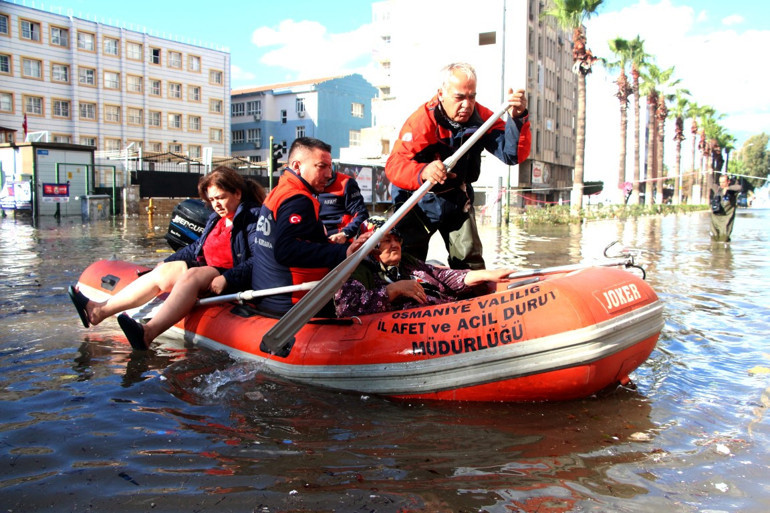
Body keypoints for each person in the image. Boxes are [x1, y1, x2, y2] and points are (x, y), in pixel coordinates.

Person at [68, 166, 266, 350]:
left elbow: (259, 259)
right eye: (212, 199)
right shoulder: (217, 219)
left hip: (230, 277)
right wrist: (168, 261)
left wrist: (227, 278)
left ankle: (148, 332)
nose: (216, 204)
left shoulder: (252, 218)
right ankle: (99, 311)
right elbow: (198, 247)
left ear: (237, 193)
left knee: (194, 274)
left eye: (220, 198)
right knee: (164, 271)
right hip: (208, 269)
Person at [385, 62, 531, 270]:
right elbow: (394, 165)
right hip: (417, 199)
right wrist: (423, 171)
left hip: (456, 197)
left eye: (472, 97)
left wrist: (517, 119)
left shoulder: (483, 118)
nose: (467, 104)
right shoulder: (422, 121)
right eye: (460, 97)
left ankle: (472, 294)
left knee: (470, 260)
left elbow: (512, 155)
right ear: (441, 94)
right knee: (408, 261)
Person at [249, 137, 371, 315]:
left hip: (274, 297)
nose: (329, 174)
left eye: (330, 167)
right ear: (297, 166)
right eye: (321, 166)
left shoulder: (279, 191)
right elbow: (286, 250)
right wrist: (343, 252)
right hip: (295, 304)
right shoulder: (298, 199)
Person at [334, 216, 514, 317]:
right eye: (387, 241)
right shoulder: (357, 270)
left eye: (397, 240)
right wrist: (393, 290)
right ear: (370, 246)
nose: (395, 245)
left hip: (444, 314)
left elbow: (442, 277)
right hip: (407, 331)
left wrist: (484, 274)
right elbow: (347, 308)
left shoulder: (408, 263)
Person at [319, 168, 370, 243]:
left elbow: (361, 213)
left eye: (327, 165)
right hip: (310, 243)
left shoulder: (346, 183)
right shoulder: (302, 185)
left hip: (336, 242)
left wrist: (345, 233)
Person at [710, 173, 742, 242]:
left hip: (726, 220)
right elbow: (711, 184)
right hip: (715, 219)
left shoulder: (732, 191)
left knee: (724, 239)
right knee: (714, 239)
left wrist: (728, 188)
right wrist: (710, 173)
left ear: (728, 182)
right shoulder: (717, 189)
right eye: (720, 182)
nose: (721, 184)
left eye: (723, 182)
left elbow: (739, 187)